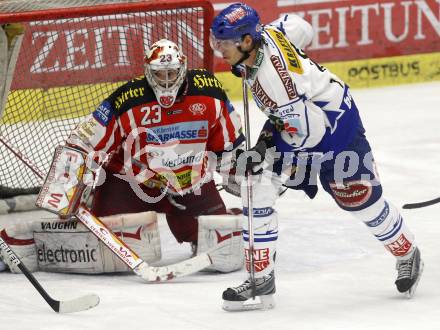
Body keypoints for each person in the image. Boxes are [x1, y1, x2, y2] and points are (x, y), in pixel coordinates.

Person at [210, 3, 424, 311]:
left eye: (225, 43)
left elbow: (307, 134)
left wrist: (264, 150)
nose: (220, 50)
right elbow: (298, 26)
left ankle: (406, 252)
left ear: (246, 41)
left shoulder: (276, 83)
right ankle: (260, 278)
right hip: (301, 121)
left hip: (335, 133)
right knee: (257, 188)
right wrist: (267, 158)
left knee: (359, 199)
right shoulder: (269, 34)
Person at [0, 39, 246, 275]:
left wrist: (235, 173)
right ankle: (12, 245)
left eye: (172, 73)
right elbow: (83, 142)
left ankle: (236, 226)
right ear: (148, 73)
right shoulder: (128, 99)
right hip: (130, 184)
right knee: (101, 249)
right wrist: (65, 192)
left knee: (222, 248)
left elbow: (228, 141)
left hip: (190, 184)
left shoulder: (210, 93)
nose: (168, 81)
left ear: (183, 70)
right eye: (161, 74)